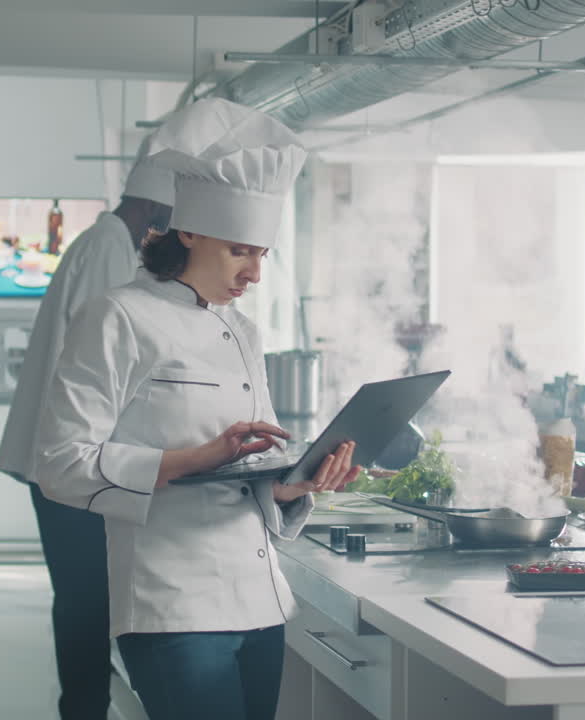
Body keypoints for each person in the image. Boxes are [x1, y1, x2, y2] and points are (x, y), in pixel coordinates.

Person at [32, 98, 359, 720]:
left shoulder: (243, 331)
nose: (254, 273)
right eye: (241, 251)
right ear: (189, 231)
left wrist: (297, 485)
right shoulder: (119, 315)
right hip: (174, 608)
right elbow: (60, 462)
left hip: (261, 605)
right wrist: (192, 459)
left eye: (262, 254)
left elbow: (243, 482)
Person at [0, 140, 174, 720]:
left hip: (69, 456)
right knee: (83, 603)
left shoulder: (105, 243)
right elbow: (108, 363)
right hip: (67, 459)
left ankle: (86, 708)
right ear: (155, 214)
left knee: (84, 602)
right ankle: (84, 711)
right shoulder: (108, 252)